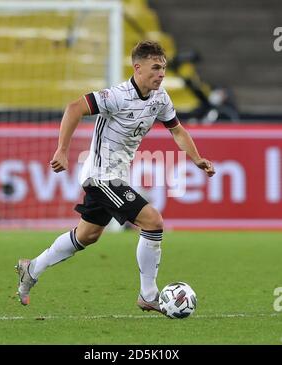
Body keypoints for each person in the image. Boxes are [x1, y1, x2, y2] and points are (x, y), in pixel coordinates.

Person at [16, 41, 215, 312]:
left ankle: (32, 269)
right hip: (101, 176)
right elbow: (75, 107)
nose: (161, 74)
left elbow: (177, 130)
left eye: (164, 68)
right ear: (138, 68)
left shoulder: (161, 98)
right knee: (153, 222)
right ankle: (149, 294)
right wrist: (62, 150)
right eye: (155, 68)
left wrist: (197, 158)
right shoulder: (117, 96)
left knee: (88, 235)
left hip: (116, 175)